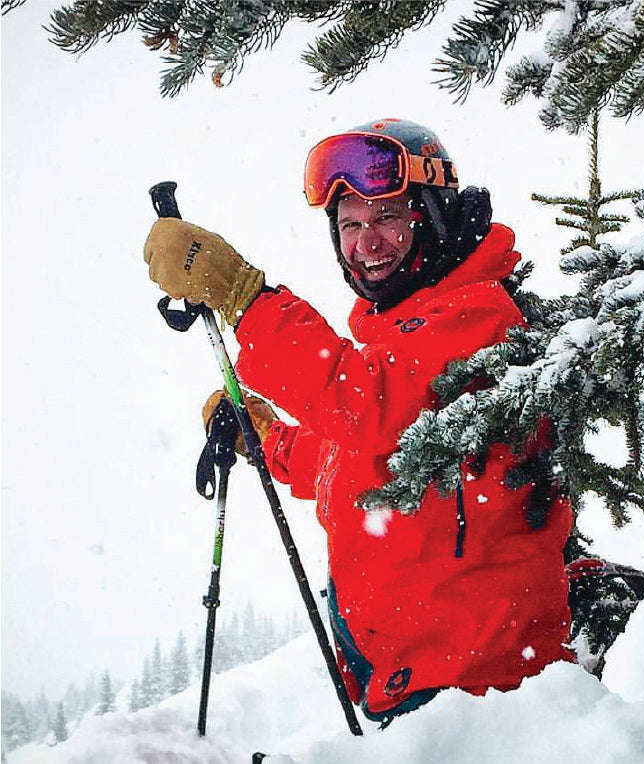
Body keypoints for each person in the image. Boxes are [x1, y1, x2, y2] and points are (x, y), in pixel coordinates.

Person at [144, 118, 574, 723]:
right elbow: (355, 460)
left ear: (431, 214)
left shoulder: (476, 314)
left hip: (481, 692)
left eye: (387, 217)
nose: (368, 243)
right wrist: (265, 438)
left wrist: (244, 297)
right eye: (350, 225)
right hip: (415, 681)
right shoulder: (401, 332)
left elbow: (362, 406)